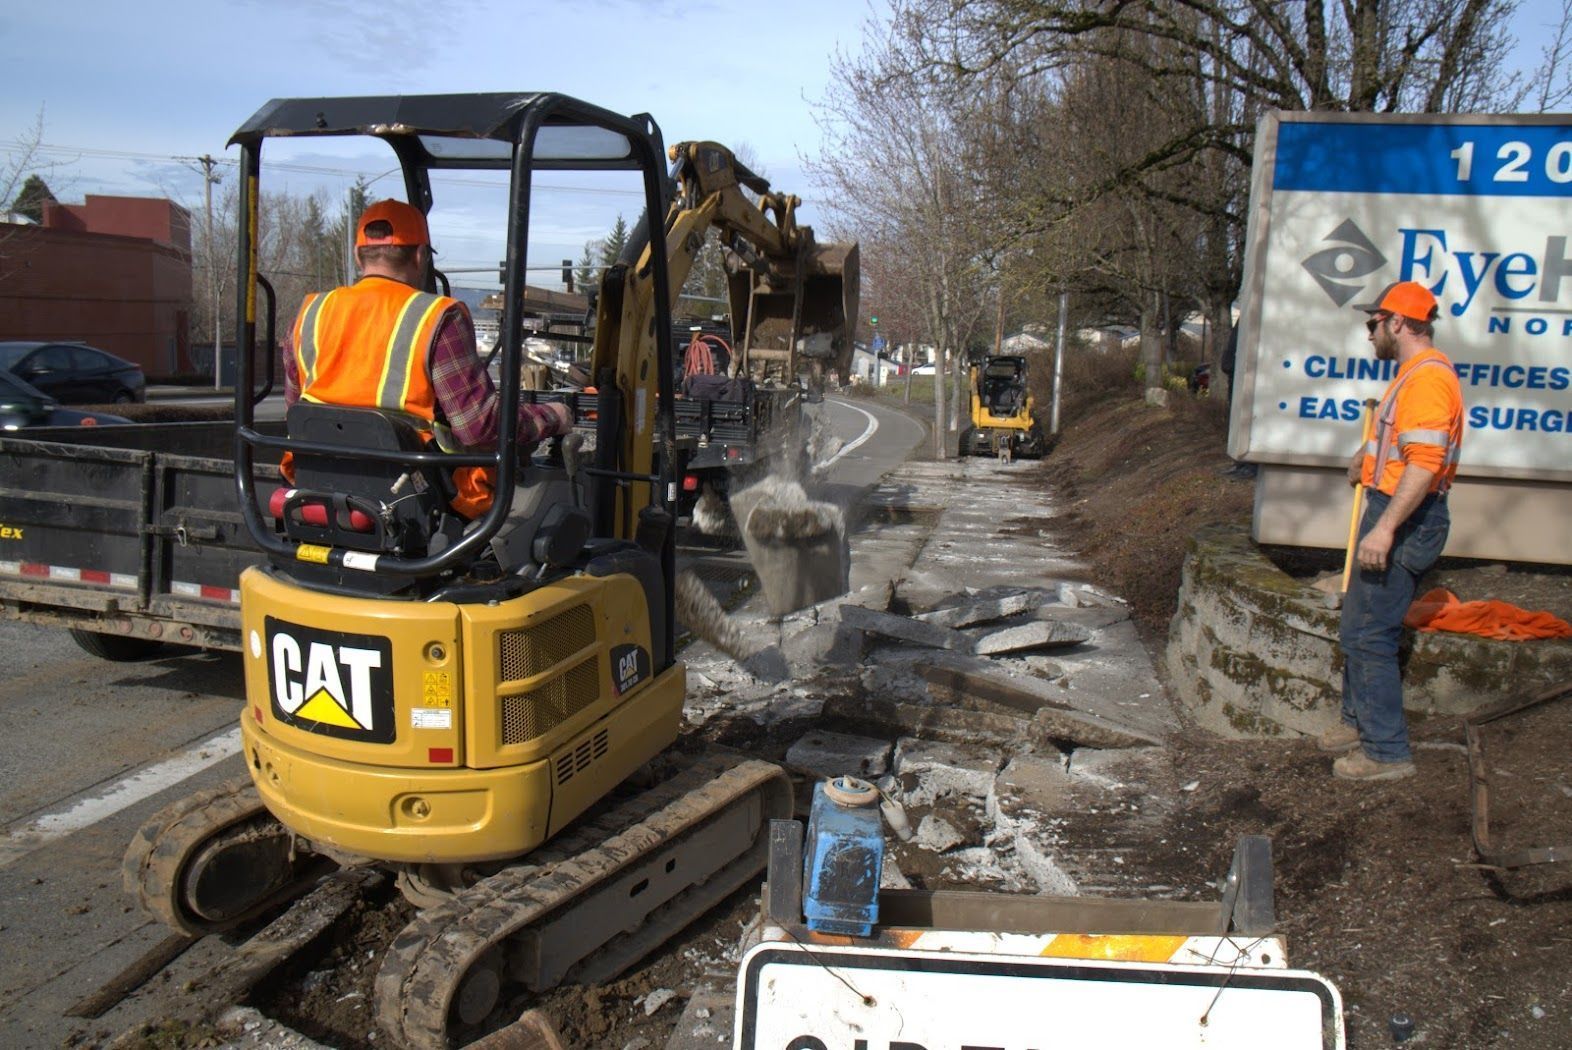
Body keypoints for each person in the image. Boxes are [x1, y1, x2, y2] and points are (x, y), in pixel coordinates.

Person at [282, 200, 572, 517]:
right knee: (546, 499)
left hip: (321, 487)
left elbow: (297, 407)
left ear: (357, 256)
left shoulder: (310, 313)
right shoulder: (436, 318)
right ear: (420, 256)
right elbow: (477, 427)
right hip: (417, 501)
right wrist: (552, 416)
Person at [1320, 280, 1464, 782]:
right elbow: (1405, 449)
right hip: (1391, 506)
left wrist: (1384, 530)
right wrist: (1368, 458)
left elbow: (1424, 466)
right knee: (1355, 625)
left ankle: (1386, 753)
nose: (1369, 334)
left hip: (1406, 519)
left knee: (1371, 634)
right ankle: (1356, 722)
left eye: (1374, 323)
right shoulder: (1413, 375)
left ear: (1398, 323)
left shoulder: (1428, 380)